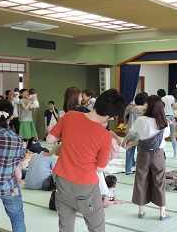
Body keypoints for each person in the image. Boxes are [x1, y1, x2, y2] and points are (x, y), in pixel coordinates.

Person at [46, 88, 125, 232]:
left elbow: (49, 139)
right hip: (85, 187)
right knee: (97, 227)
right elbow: (100, 168)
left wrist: (69, 137)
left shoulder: (70, 116)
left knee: (65, 227)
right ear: (110, 115)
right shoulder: (104, 136)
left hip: (62, 180)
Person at [122, 95, 170, 220]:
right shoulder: (164, 121)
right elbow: (163, 137)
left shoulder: (141, 120)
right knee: (159, 181)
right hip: (158, 154)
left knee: (140, 180)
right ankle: (162, 213)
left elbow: (133, 134)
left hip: (143, 154)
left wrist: (125, 142)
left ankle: (141, 211)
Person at [0, 99, 27, 232]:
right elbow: (21, 164)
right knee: (17, 219)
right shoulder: (18, 140)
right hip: (9, 187)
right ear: (12, 116)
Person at [123, 93, 146, 174]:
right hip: (141, 133)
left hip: (131, 131)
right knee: (141, 152)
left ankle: (128, 170)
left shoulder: (130, 108)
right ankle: (140, 170)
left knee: (129, 151)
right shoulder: (145, 109)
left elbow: (125, 117)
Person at [157, 89, 177, 158]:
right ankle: (175, 153)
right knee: (173, 136)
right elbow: (176, 107)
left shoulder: (159, 100)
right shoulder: (170, 97)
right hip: (171, 117)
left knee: (161, 136)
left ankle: (160, 153)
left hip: (164, 118)